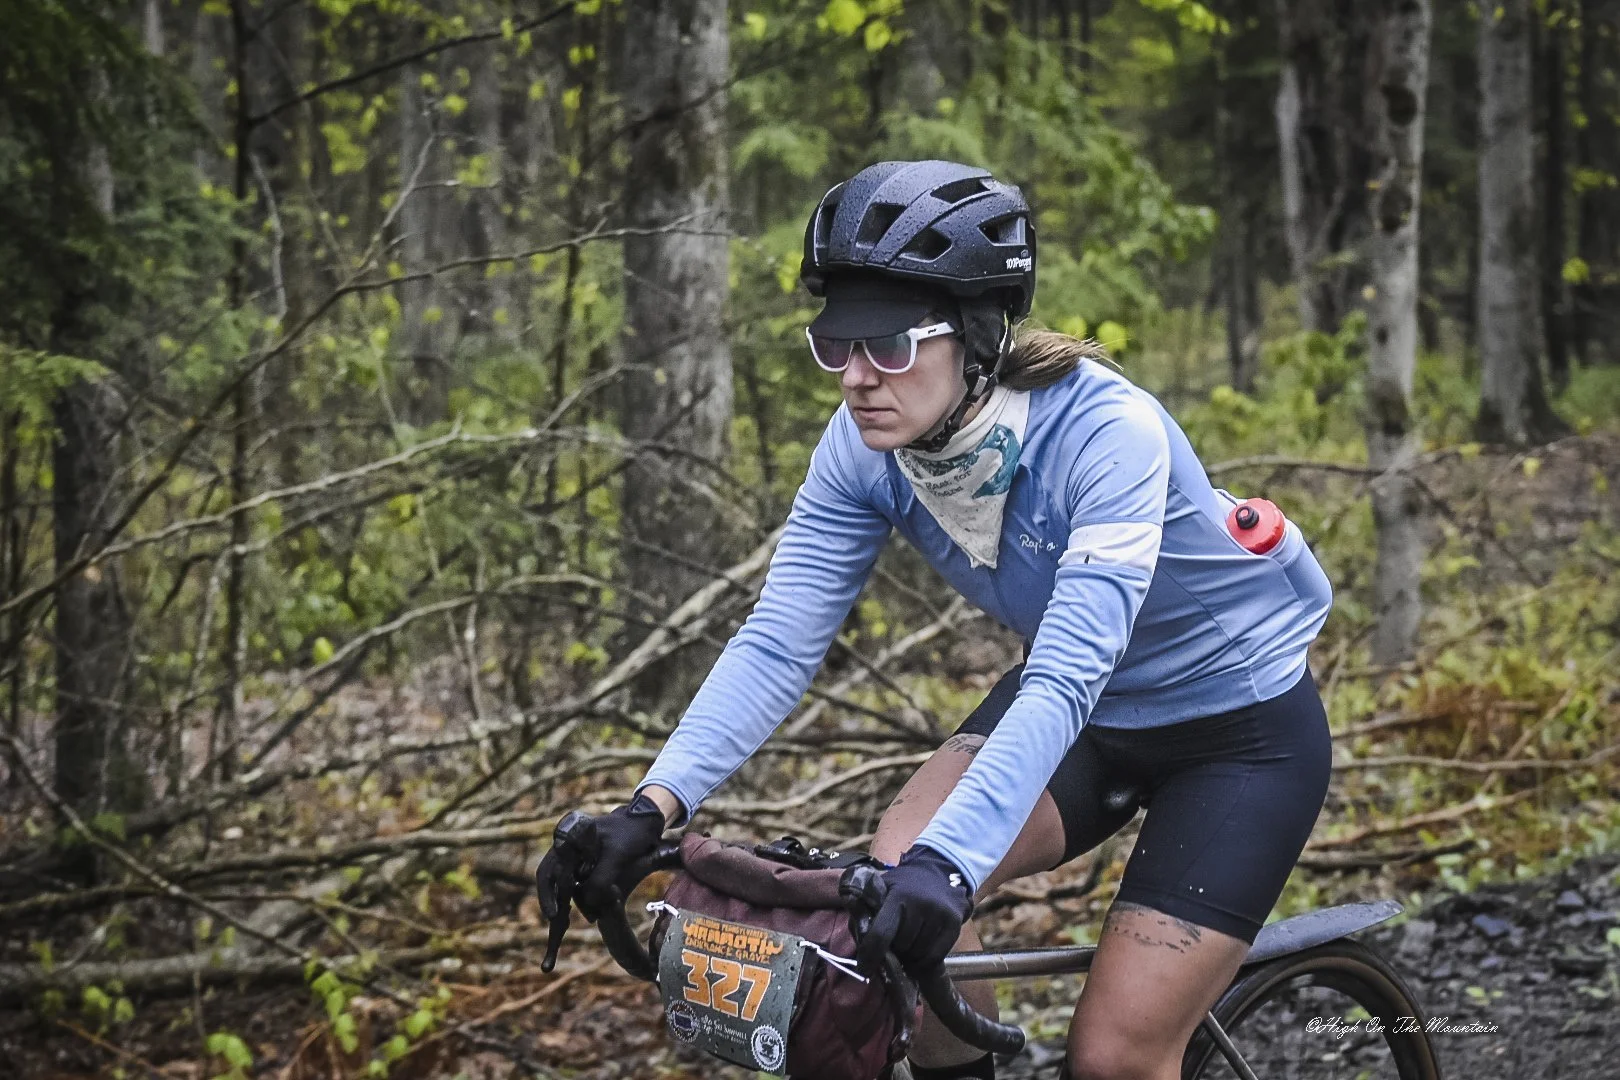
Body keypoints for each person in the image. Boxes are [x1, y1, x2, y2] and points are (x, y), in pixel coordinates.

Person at [537, 160, 1335, 1080]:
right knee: (893, 918)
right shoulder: (864, 446)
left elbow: (1068, 674)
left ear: (978, 332)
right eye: (835, 346)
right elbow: (778, 640)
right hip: (1088, 719)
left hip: (1236, 738)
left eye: (889, 346)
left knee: (1112, 1057)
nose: (857, 378)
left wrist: (951, 867)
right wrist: (654, 802)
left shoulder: (1109, 433)